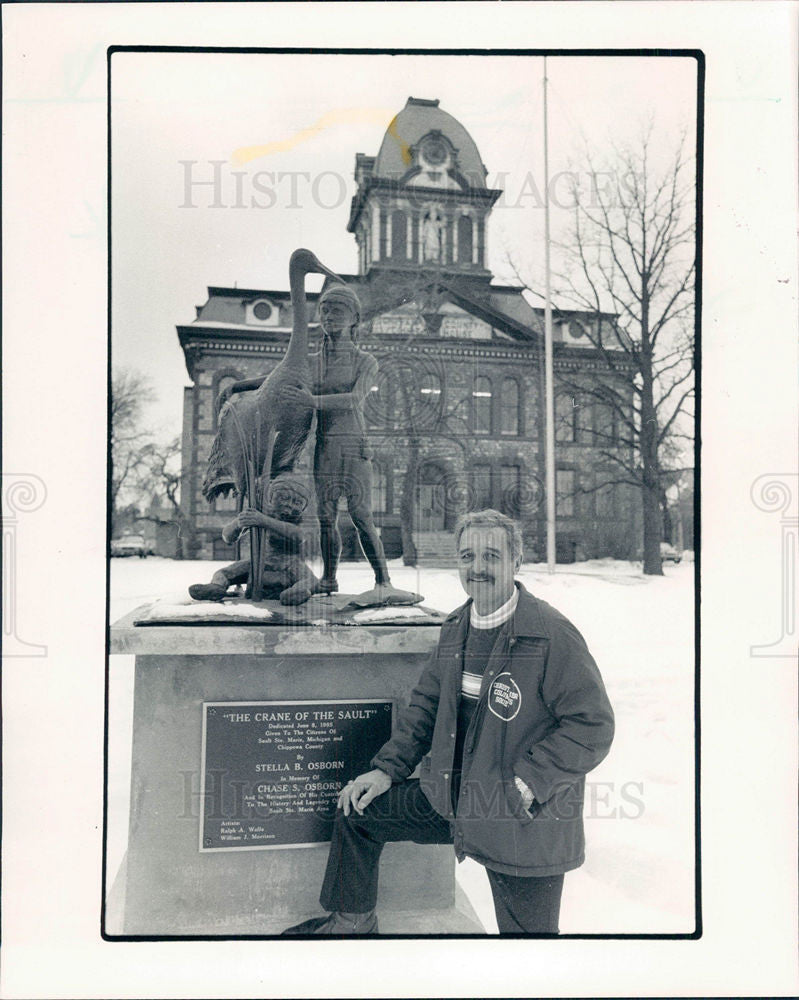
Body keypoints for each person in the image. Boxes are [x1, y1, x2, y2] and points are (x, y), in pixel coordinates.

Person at [283, 509, 615, 935]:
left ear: (516, 562)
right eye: (467, 557)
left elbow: (592, 725)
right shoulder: (456, 627)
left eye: (491, 556)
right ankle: (351, 923)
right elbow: (425, 706)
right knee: (358, 810)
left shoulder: (550, 634)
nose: (477, 568)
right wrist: (387, 770)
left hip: (520, 818)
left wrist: (529, 781)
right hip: (451, 803)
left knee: (530, 953)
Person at [281, 283, 393, 595]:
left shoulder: (365, 361)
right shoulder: (311, 360)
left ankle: (383, 581)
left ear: (354, 317)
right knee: (326, 518)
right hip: (325, 445)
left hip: (354, 445)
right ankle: (329, 578)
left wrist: (312, 401)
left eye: (338, 310)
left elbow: (354, 399)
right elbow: (281, 379)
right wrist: (239, 387)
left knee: (360, 515)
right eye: (325, 310)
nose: (330, 316)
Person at [188, 472, 321, 606]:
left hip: (289, 563)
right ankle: (216, 587)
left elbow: (298, 535)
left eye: (297, 502)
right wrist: (239, 523)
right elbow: (227, 537)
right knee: (223, 573)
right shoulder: (259, 514)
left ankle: (295, 593)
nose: (290, 505)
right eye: (283, 498)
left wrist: (263, 520)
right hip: (259, 562)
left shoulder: (298, 520)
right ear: (271, 497)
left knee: (311, 580)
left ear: (303, 507)